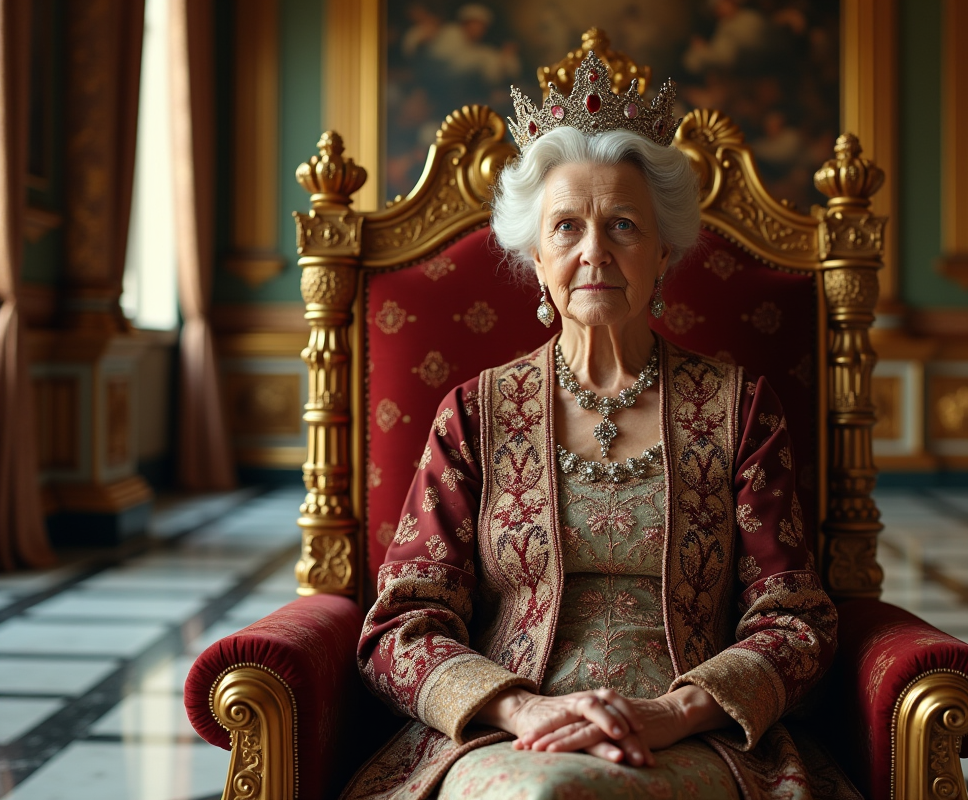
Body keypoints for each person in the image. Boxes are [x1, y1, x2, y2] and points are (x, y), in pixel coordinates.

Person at [343, 52, 837, 800]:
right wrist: (522, 708)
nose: (594, 251)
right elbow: (401, 624)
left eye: (623, 225)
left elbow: (797, 622)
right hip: (504, 735)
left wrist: (670, 713)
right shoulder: (476, 414)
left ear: (663, 252)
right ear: (536, 255)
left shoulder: (740, 409)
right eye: (567, 226)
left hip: (695, 735)